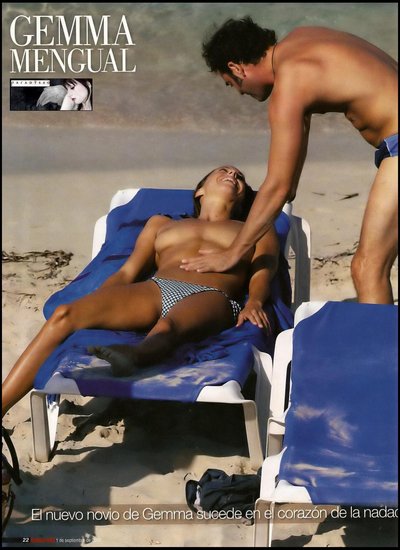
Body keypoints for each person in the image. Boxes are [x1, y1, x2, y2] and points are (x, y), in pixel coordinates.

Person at [2, 166, 280, 418]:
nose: (233, 175)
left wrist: (254, 301)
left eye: (239, 177)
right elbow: (128, 272)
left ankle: (135, 357)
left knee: (169, 327)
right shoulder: (161, 224)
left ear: (243, 198)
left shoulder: (254, 230)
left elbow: (263, 270)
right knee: (64, 315)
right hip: (156, 288)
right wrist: (98, 301)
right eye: (225, 171)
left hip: (212, 294)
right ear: (200, 190)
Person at [180, 17, 398, 305]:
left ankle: (380, 338)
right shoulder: (304, 39)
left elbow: (279, 187)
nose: (241, 92)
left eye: (230, 84)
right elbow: (289, 186)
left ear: (236, 68)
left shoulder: (289, 84)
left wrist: (233, 253)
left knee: (368, 268)